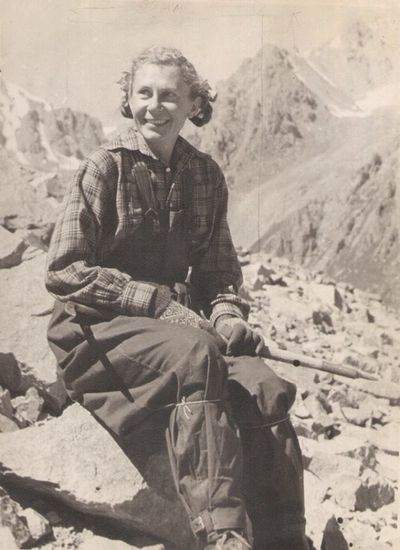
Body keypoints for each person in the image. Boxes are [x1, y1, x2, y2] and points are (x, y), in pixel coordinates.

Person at [45, 46, 309, 550]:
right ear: (128, 99)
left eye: (169, 96)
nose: (154, 106)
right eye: (143, 93)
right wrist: (158, 303)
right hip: (95, 330)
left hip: (172, 329)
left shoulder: (204, 175)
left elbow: (218, 273)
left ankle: (286, 538)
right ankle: (222, 533)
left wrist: (227, 316)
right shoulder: (104, 167)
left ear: (194, 105)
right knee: (197, 356)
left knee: (263, 384)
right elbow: (65, 270)